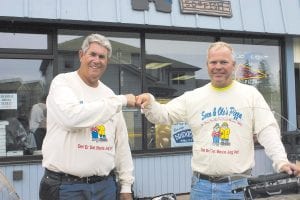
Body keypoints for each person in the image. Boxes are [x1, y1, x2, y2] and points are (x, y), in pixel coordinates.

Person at [136, 41, 300, 199]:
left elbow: (267, 130)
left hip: (237, 187)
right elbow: (164, 115)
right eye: (213, 62)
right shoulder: (194, 97)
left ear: (233, 65)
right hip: (201, 187)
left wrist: (281, 162)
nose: (218, 67)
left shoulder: (250, 95)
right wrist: (149, 102)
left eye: (224, 62)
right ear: (207, 65)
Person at [39, 33, 135, 200]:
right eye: (92, 54)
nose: (97, 60)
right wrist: (122, 100)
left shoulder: (109, 95)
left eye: (102, 57)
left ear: (107, 62)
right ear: (81, 55)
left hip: (105, 187)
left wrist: (126, 186)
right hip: (66, 187)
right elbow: (72, 119)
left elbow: (121, 144)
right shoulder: (63, 83)